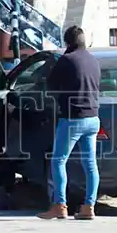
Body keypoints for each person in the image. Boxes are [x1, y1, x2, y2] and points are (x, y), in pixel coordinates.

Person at [38, 25, 101, 220]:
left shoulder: (66, 60)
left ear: (67, 43)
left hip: (73, 118)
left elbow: (50, 85)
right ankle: (89, 206)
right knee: (90, 164)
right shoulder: (94, 61)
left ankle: (60, 205)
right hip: (93, 118)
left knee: (58, 161)